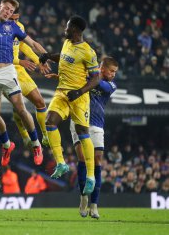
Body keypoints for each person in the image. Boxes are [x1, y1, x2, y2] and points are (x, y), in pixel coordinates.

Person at [0, 0, 49, 167]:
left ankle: (36, 144)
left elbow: (32, 43)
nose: (8, 12)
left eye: (11, 10)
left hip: (8, 72)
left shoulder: (13, 27)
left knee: (21, 109)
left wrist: (45, 56)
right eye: (6, 8)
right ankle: (7, 145)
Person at [39, 15, 100, 195]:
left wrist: (80, 91)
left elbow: (96, 78)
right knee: (49, 122)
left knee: (82, 133)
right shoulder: (67, 43)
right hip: (62, 93)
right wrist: (49, 56)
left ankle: (90, 176)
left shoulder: (88, 52)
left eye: (67, 27)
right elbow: (64, 58)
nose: (64, 30)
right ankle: (61, 163)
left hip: (79, 98)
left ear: (74, 29)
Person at [70, 57, 118, 219]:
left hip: (97, 125)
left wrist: (89, 74)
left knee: (97, 161)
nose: (113, 74)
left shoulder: (111, 85)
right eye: (111, 71)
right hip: (78, 120)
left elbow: (99, 84)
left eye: (115, 72)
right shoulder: (89, 76)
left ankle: (94, 205)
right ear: (102, 68)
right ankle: (83, 197)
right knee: (83, 159)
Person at [9, 10, 49, 148]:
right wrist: (20, 61)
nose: (15, 22)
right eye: (11, 19)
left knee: (40, 101)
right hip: (5, 71)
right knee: (19, 107)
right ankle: (25, 135)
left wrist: (38, 61)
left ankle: (46, 135)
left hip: (19, 69)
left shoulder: (19, 26)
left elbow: (23, 46)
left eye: (17, 19)